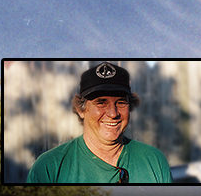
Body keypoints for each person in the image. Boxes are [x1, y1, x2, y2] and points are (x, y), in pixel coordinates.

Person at [27, 62, 172, 183]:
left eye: (121, 102)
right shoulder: (49, 167)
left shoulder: (154, 160)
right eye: (101, 103)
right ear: (81, 110)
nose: (113, 113)